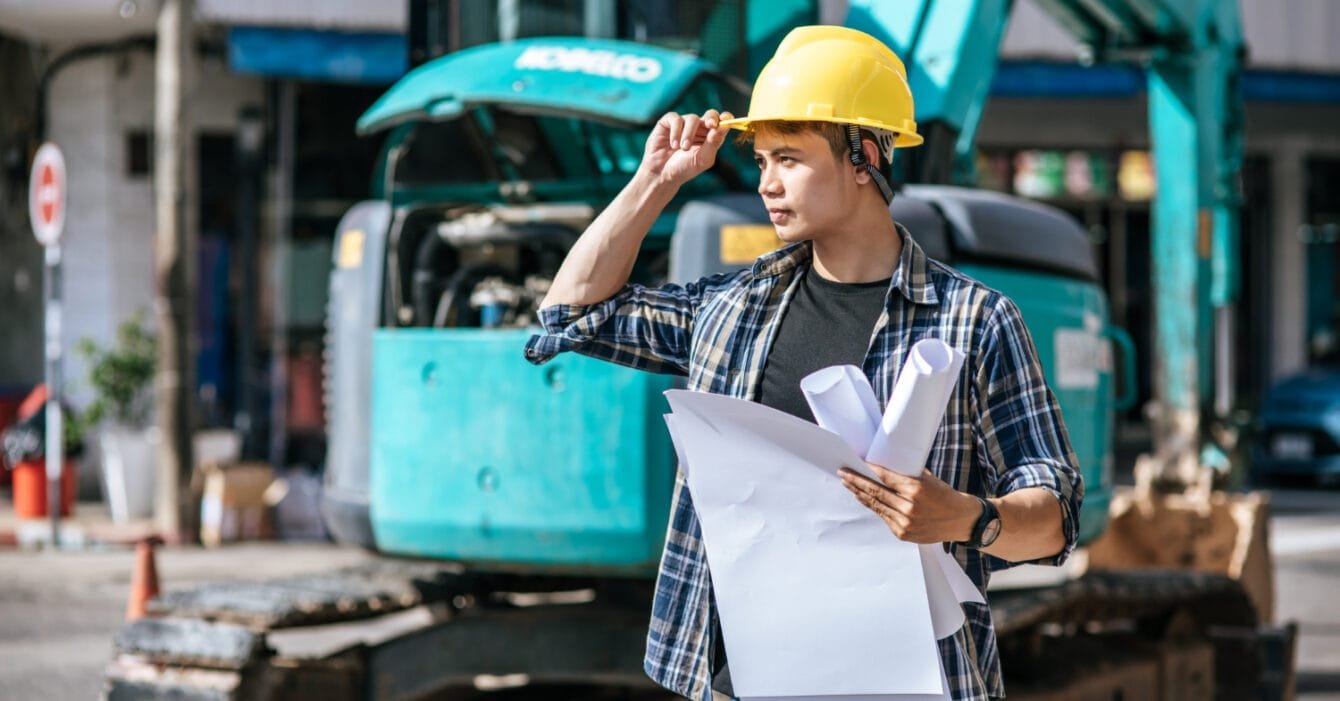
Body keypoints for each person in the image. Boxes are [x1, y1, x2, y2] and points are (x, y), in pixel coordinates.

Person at [524, 25, 1083, 701]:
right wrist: (654, 180)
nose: (766, 183)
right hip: (739, 683)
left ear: (864, 155)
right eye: (760, 161)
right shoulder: (733, 309)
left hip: (905, 682)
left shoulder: (973, 320)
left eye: (788, 157)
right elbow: (571, 314)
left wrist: (969, 518)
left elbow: (1056, 514)